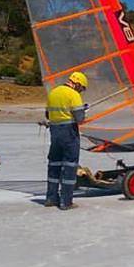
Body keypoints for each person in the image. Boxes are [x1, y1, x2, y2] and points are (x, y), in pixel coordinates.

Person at [44, 71, 88, 210]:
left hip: (55, 132)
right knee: (70, 166)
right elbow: (80, 119)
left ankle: (51, 198)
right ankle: (66, 202)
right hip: (69, 133)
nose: (81, 91)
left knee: (54, 164)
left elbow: (48, 114)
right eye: (81, 88)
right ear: (77, 84)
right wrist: (83, 111)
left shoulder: (53, 92)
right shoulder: (73, 95)